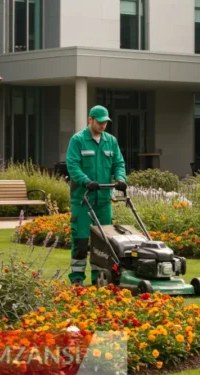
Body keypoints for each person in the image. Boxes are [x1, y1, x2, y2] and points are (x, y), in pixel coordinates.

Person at [65, 105, 127, 286]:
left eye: (105, 123)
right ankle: (77, 278)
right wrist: (85, 181)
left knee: (103, 243)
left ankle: (99, 278)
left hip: (103, 200)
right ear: (90, 120)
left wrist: (121, 178)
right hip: (82, 199)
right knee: (81, 241)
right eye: (100, 122)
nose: (103, 126)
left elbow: (119, 163)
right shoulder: (78, 140)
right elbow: (73, 165)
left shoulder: (111, 141)